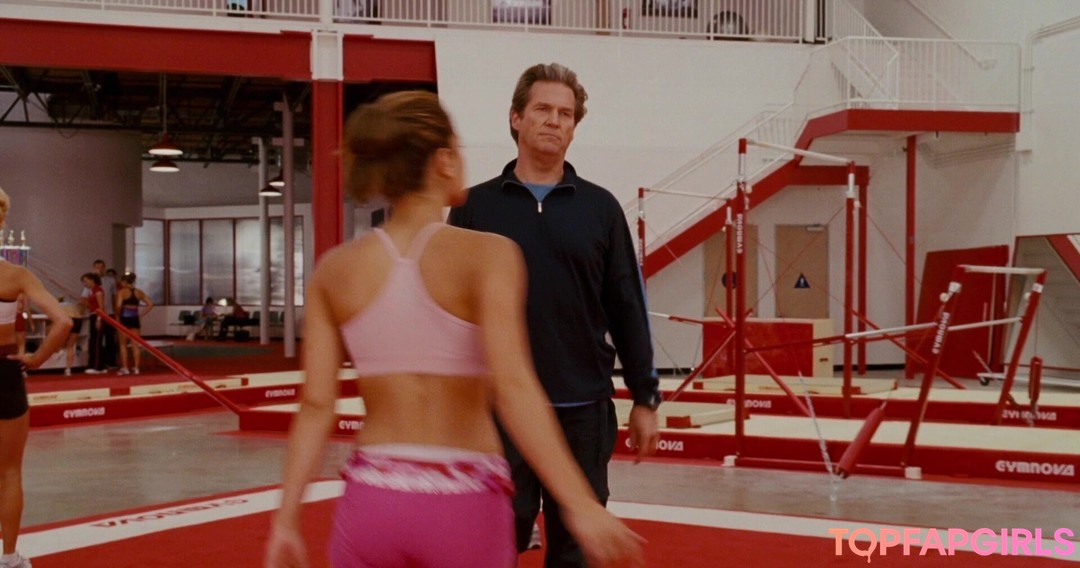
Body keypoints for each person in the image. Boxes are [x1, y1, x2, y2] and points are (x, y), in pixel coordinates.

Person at [264, 91, 644, 568]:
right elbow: (513, 387)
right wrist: (579, 503)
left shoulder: (334, 270)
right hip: (462, 500)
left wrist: (286, 520)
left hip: (372, 499)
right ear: (444, 161)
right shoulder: (489, 255)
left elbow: (316, 406)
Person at [448, 62, 662, 566]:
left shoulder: (601, 210)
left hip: (583, 411)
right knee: (494, 543)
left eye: (566, 114)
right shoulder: (474, 208)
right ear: (516, 118)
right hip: (497, 412)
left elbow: (627, 307)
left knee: (576, 549)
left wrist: (646, 397)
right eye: (543, 109)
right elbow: (453, 311)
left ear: (574, 126)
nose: (554, 121)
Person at [0, 187, 74, 568]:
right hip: (3, 372)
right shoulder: (15, 275)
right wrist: (35, 359)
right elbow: (63, 322)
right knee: (9, 471)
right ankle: (8, 558)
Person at [115, 272, 154, 376]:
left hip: (124, 318)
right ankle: (136, 368)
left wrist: (117, 317)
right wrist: (142, 314)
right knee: (135, 344)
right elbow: (150, 304)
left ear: (124, 282)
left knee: (123, 344)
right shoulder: (139, 292)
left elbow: (118, 306)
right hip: (135, 318)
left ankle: (125, 368)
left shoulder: (122, 292)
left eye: (121, 282)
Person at [77, 272, 105, 375]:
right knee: (93, 341)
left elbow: (101, 307)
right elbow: (92, 306)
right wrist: (85, 303)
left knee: (96, 342)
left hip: (98, 316)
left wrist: (99, 319)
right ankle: (98, 365)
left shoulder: (98, 291)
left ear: (92, 280)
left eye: (86, 281)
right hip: (93, 315)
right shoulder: (91, 292)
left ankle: (96, 366)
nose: (85, 284)